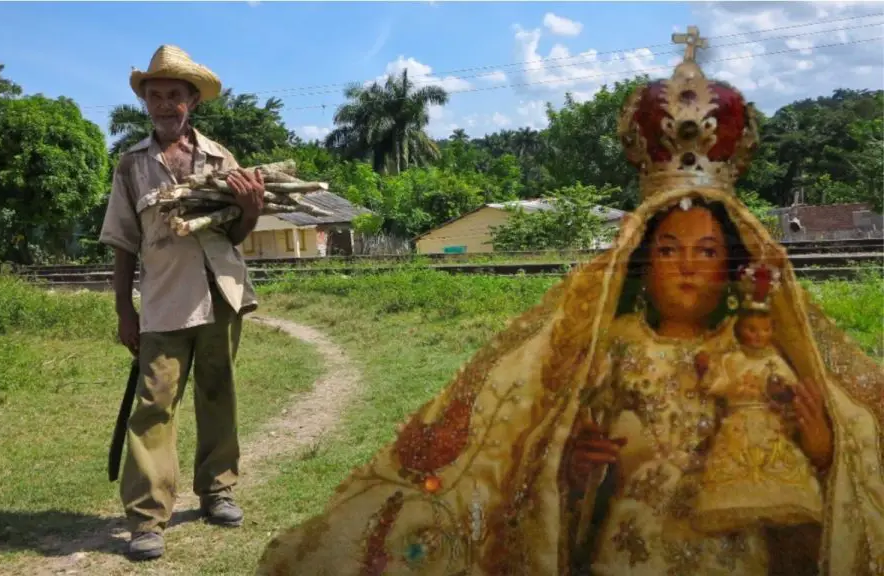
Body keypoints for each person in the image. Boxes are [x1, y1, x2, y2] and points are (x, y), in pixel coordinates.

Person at [254, 26, 884, 576]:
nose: (688, 269)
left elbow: (818, 493)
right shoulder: (608, 350)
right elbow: (553, 473)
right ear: (640, 261)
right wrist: (577, 472)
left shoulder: (765, 355)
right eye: (669, 252)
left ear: (734, 267)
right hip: (623, 555)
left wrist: (824, 446)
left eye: (706, 253)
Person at [98, 44, 266, 562]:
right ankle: (147, 518)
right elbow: (124, 242)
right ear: (145, 102)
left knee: (219, 394)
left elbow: (235, 236)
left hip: (221, 294)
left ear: (192, 101)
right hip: (164, 304)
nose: (166, 104)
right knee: (154, 406)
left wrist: (251, 208)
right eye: (156, 95)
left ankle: (217, 490)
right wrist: (126, 310)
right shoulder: (131, 166)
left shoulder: (222, 159)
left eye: (176, 95)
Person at [691, 262, 823, 535]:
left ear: (772, 330)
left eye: (764, 330)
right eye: (751, 329)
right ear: (740, 330)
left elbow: (790, 387)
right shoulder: (733, 359)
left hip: (769, 420)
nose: (758, 335)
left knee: (775, 461)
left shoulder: (775, 360)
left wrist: (782, 393)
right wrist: (711, 374)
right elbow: (718, 384)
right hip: (738, 419)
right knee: (735, 464)